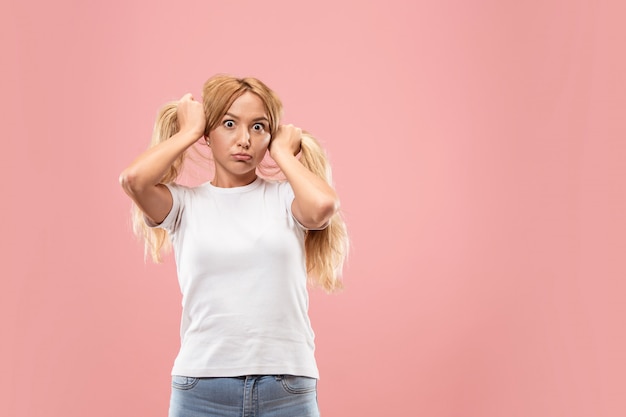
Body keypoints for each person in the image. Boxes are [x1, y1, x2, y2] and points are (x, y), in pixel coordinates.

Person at [119, 74, 348, 417]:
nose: (244, 140)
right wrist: (188, 132)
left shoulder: (286, 198)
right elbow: (133, 180)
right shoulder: (183, 205)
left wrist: (282, 153)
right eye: (229, 124)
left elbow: (323, 207)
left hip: (287, 388)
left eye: (258, 127)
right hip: (201, 390)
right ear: (208, 134)